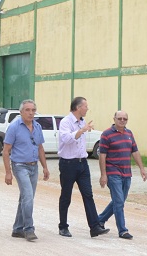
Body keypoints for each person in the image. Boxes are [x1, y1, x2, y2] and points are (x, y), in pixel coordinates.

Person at [57, 96, 110, 238]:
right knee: (66, 195)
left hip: (82, 164)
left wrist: (84, 128)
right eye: (85, 106)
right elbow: (66, 139)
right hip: (68, 164)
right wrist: (82, 130)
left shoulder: (83, 121)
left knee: (88, 195)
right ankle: (63, 226)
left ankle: (94, 227)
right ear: (78, 107)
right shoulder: (65, 122)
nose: (87, 108)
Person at [3, 99, 50, 242]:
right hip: (19, 166)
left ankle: (17, 229)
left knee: (25, 198)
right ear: (21, 112)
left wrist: (45, 167)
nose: (31, 113)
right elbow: (6, 151)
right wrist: (8, 172)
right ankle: (29, 229)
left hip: (34, 167)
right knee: (28, 197)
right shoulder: (14, 127)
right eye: (27, 110)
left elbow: (40, 148)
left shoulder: (37, 126)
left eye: (33, 110)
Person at [98, 110, 147, 239]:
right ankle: (122, 230)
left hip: (127, 173)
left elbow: (135, 152)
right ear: (114, 118)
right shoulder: (106, 134)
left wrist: (142, 168)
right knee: (119, 201)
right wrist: (103, 175)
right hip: (112, 172)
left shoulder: (129, 133)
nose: (122, 121)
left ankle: (99, 220)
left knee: (118, 201)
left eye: (124, 119)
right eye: (119, 118)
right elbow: (102, 155)